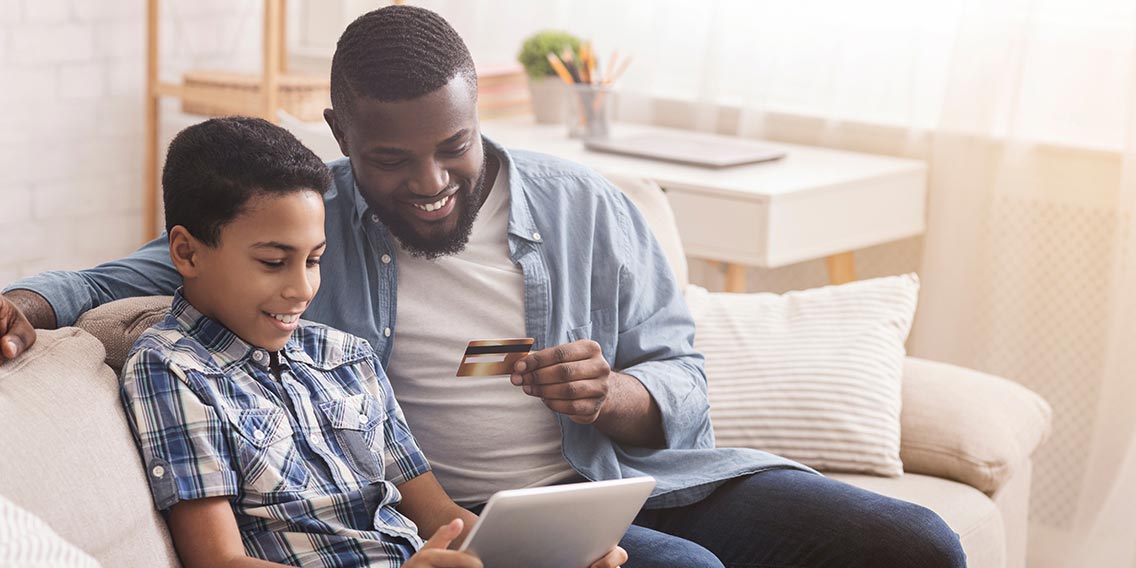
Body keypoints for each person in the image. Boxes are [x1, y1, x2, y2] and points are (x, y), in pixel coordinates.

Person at [1, 5, 966, 567]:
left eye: (453, 148)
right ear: (341, 136)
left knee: (916, 544)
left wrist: (619, 395)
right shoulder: (303, 222)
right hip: (466, 513)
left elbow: (684, 378)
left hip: (627, 479)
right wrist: (28, 305)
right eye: (392, 159)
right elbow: (127, 272)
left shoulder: (592, 205)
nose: (429, 185)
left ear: (477, 116)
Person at [116, 116, 625, 568]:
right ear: (185, 252)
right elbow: (218, 560)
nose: (302, 289)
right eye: (274, 262)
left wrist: (545, 556)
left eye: (314, 260)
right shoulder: (172, 367)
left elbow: (439, 517)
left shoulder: (347, 356)